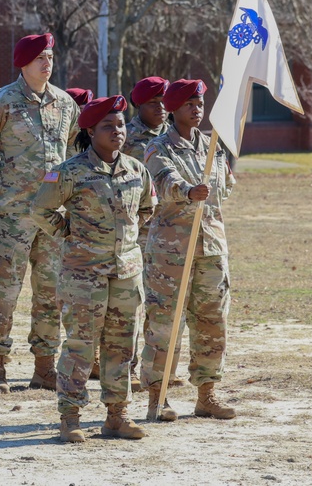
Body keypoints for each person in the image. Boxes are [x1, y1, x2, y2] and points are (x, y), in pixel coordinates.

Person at [0, 33, 79, 394]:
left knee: (50, 292)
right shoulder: (1, 103)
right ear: (23, 63)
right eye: (40, 57)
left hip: (53, 215)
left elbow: (73, 148)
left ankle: (44, 367)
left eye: (49, 57)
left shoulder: (65, 103)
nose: (47, 63)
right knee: (4, 292)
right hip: (13, 214)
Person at [32, 95, 153, 443]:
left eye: (120, 125)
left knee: (121, 346)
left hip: (126, 274)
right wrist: (69, 232)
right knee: (80, 347)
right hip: (84, 276)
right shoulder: (69, 171)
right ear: (90, 130)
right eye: (108, 126)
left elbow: (148, 208)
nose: (117, 131)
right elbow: (40, 210)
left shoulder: (136, 169)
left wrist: (126, 239)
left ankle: (117, 416)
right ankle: (70, 417)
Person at [140, 79, 237, 422]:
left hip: (210, 246)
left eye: (199, 104)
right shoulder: (157, 146)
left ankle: (206, 393)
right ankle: (158, 396)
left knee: (212, 321)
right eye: (189, 105)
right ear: (173, 110)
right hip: (172, 251)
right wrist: (187, 190)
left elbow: (225, 188)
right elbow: (163, 181)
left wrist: (212, 187)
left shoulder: (212, 146)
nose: (196, 110)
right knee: (165, 323)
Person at [123, 76, 171, 391]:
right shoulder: (123, 138)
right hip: (136, 235)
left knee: (163, 304)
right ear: (138, 105)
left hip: (169, 234)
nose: (161, 108)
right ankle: (123, 369)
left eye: (164, 101)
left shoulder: (173, 137)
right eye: (153, 102)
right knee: (132, 305)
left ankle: (159, 370)